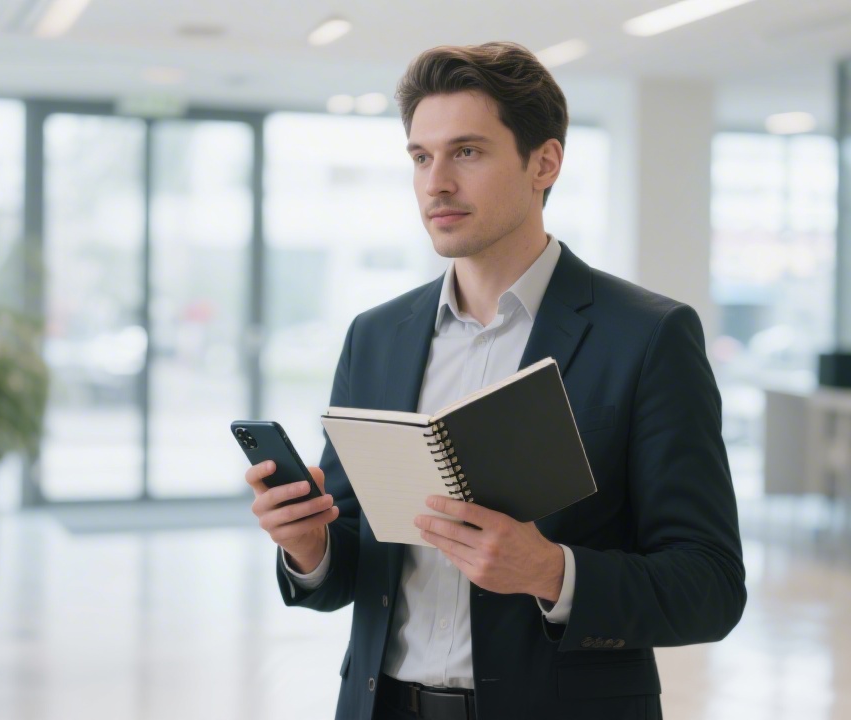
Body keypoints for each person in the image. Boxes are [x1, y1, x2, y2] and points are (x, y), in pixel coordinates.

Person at [245, 41, 745, 720]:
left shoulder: (648, 337)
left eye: (467, 152)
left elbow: (710, 586)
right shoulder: (377, 335)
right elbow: (360, 560)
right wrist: (311, 546)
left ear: (545, 162)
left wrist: (551, 572)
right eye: (421, 157)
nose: (436, 182)